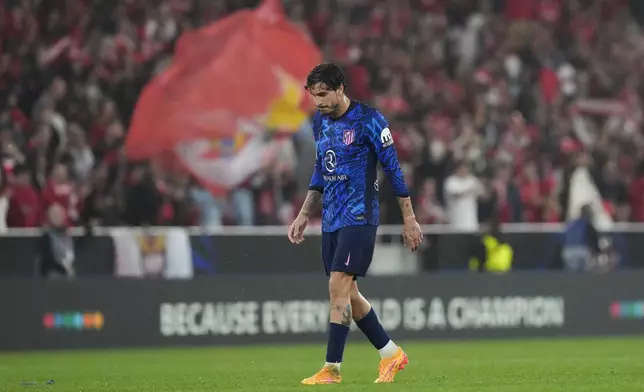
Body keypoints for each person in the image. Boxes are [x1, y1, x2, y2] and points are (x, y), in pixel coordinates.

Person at [288, 63, 423, 385]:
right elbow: (321, 170)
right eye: (313, 95)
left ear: (340, 89)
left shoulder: (369, 120)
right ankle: (391, 354)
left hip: (360, 216)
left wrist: (410, 219)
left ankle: (332, 368)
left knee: (337, 286)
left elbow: (393, 171)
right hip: (332, 218)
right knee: (348, 293)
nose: (318, 101)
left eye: (323, 94)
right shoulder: (320, 123)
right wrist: (304, 213)